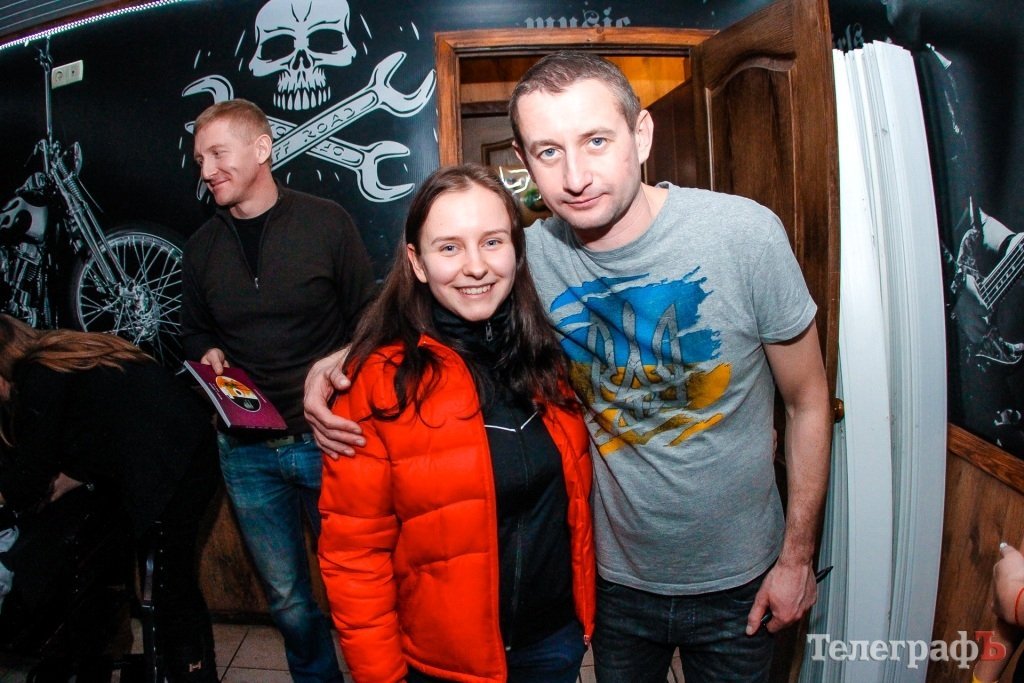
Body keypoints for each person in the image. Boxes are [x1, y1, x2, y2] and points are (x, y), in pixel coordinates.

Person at [306, 51, 832, 682]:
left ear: (641, 135)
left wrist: (797, 558)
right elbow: (447, 294)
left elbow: (808, 401)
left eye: (596, 141)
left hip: (742, 579)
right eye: (548, 152)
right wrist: (338, 363)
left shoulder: (745, 235)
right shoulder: (529, 256)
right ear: (524, 163)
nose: (576, 176)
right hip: (613, 585)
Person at [318, 164, 596, 683]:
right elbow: (355, 557)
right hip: (446, 663)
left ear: (516, 250)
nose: (475, 266)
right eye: (449, 247)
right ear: (417, 263)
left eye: (492, 242)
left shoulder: (549, 358)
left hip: (554, 643)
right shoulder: (378, 383)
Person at [182, 98, 376, 682]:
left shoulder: (327, 222)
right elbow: (193, 330)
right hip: (245, 452)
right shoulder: (201, 247)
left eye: (218, 153)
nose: (207, 169)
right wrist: (206, 350)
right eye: (199, 159)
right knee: (288, 599)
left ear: (262, 149)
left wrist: (341, 361)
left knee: (357, 583)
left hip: (327, 439)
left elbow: (370, 318)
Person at [0, 315, 219, 681]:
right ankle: (188, 669)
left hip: (170, 464)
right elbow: (99, 431)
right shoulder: (60, 356)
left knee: (168, 586)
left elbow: (27, 482)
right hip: (188, 450)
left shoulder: (38, 377)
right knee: (170, 582)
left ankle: (190, 673)